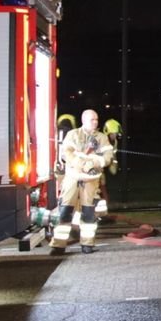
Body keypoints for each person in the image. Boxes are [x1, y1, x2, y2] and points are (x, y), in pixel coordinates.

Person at [50, 109, 114, 255]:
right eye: (92, 120)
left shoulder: (101, 138)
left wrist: (93, 164)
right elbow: (67, 154)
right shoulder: (73, 135)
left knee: (88, 213)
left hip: (91, 181)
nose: (96, 122)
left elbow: (108, 156)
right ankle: (58, 245)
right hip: (72, 178)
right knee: (64, 211)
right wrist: (82, 165)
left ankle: (87, 244)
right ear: (84, 120)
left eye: (97, 119)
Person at [96, 118, 122, 217]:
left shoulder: (114, 142)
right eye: (112, 133)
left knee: (103, 188)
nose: (114, 136)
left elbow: (113, 155)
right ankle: (99, 214)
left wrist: (114, 165)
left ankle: (103, 213)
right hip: (95, 170)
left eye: (116, 134)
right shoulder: (99, 139)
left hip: (102, 169)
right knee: (98, 191)